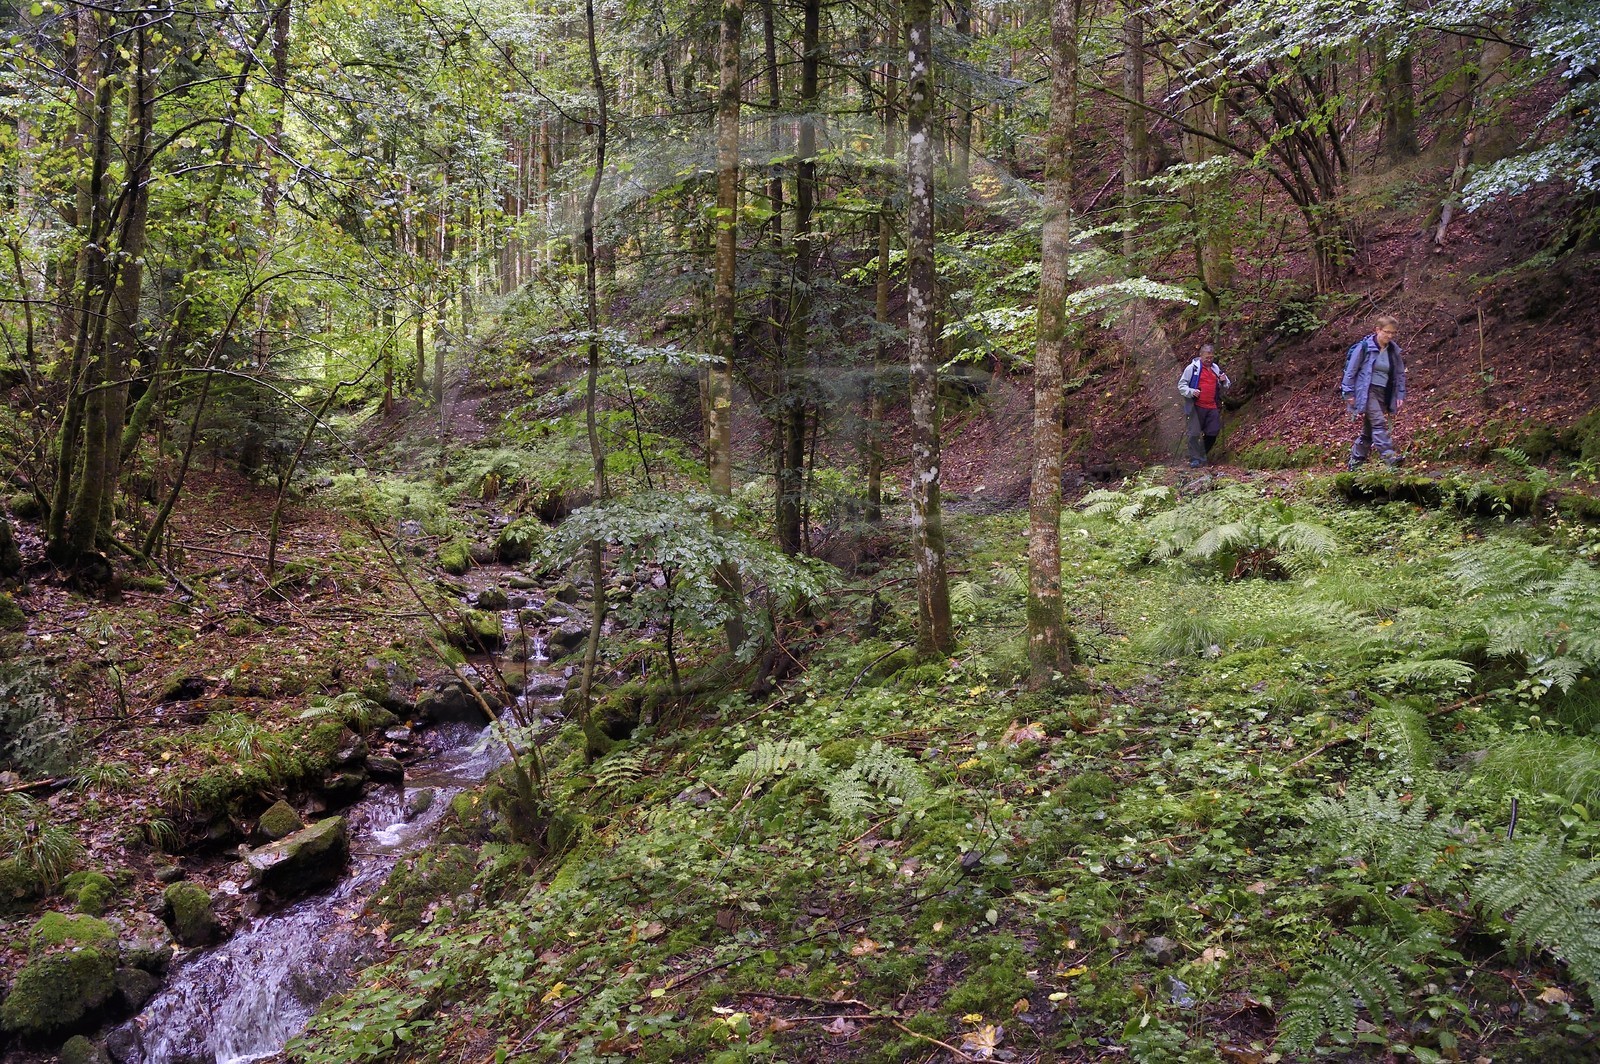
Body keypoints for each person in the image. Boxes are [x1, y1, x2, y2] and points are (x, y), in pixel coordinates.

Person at [1341, 315, 1407, 469]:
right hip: (1367, 391)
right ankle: (1390, 457)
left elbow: (1399, 374)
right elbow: (1351, 371)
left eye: (1393, 333)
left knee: (1369, 431)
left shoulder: (1393, 351)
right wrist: (1348, 393)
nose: (1390, 336)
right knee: (1379, 423)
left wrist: (1400, 394)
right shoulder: (1364, 347)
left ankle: (1355, 462)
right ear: (1377, 330)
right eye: (1387, 332)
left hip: (1384, 392)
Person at [1177, 343, 1230, 468]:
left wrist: (1224, 381)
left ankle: (1202, 454)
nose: (1209, 360)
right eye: (1207, 358)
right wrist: (1191, 392)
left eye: (1211, 357)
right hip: (1196, 405)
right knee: (1194, 433)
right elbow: (1181, 385)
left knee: (1213, 431)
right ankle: (1194, 458)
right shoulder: (1192, 369)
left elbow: (1226, 384)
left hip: (1211, 406)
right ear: (1201, 356)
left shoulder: (1215, 368)